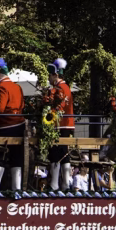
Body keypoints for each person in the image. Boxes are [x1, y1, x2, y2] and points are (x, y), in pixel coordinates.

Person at [0, 57, 25, 191]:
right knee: (16, 157)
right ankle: (17, 188)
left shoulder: (1, 87)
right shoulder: (17, 87)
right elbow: (21, 106)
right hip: (19, 125)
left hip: (4, 126)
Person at [45, 58, 74, 191]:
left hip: (59, 124)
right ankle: (65, 184)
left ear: (55, 75)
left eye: (50, 75)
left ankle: (55, 184)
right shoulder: (66, 87)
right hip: (67, 125)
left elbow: (57, 107)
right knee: (64, 153)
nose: (49, 78)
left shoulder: (59, 88)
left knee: (56, 153)